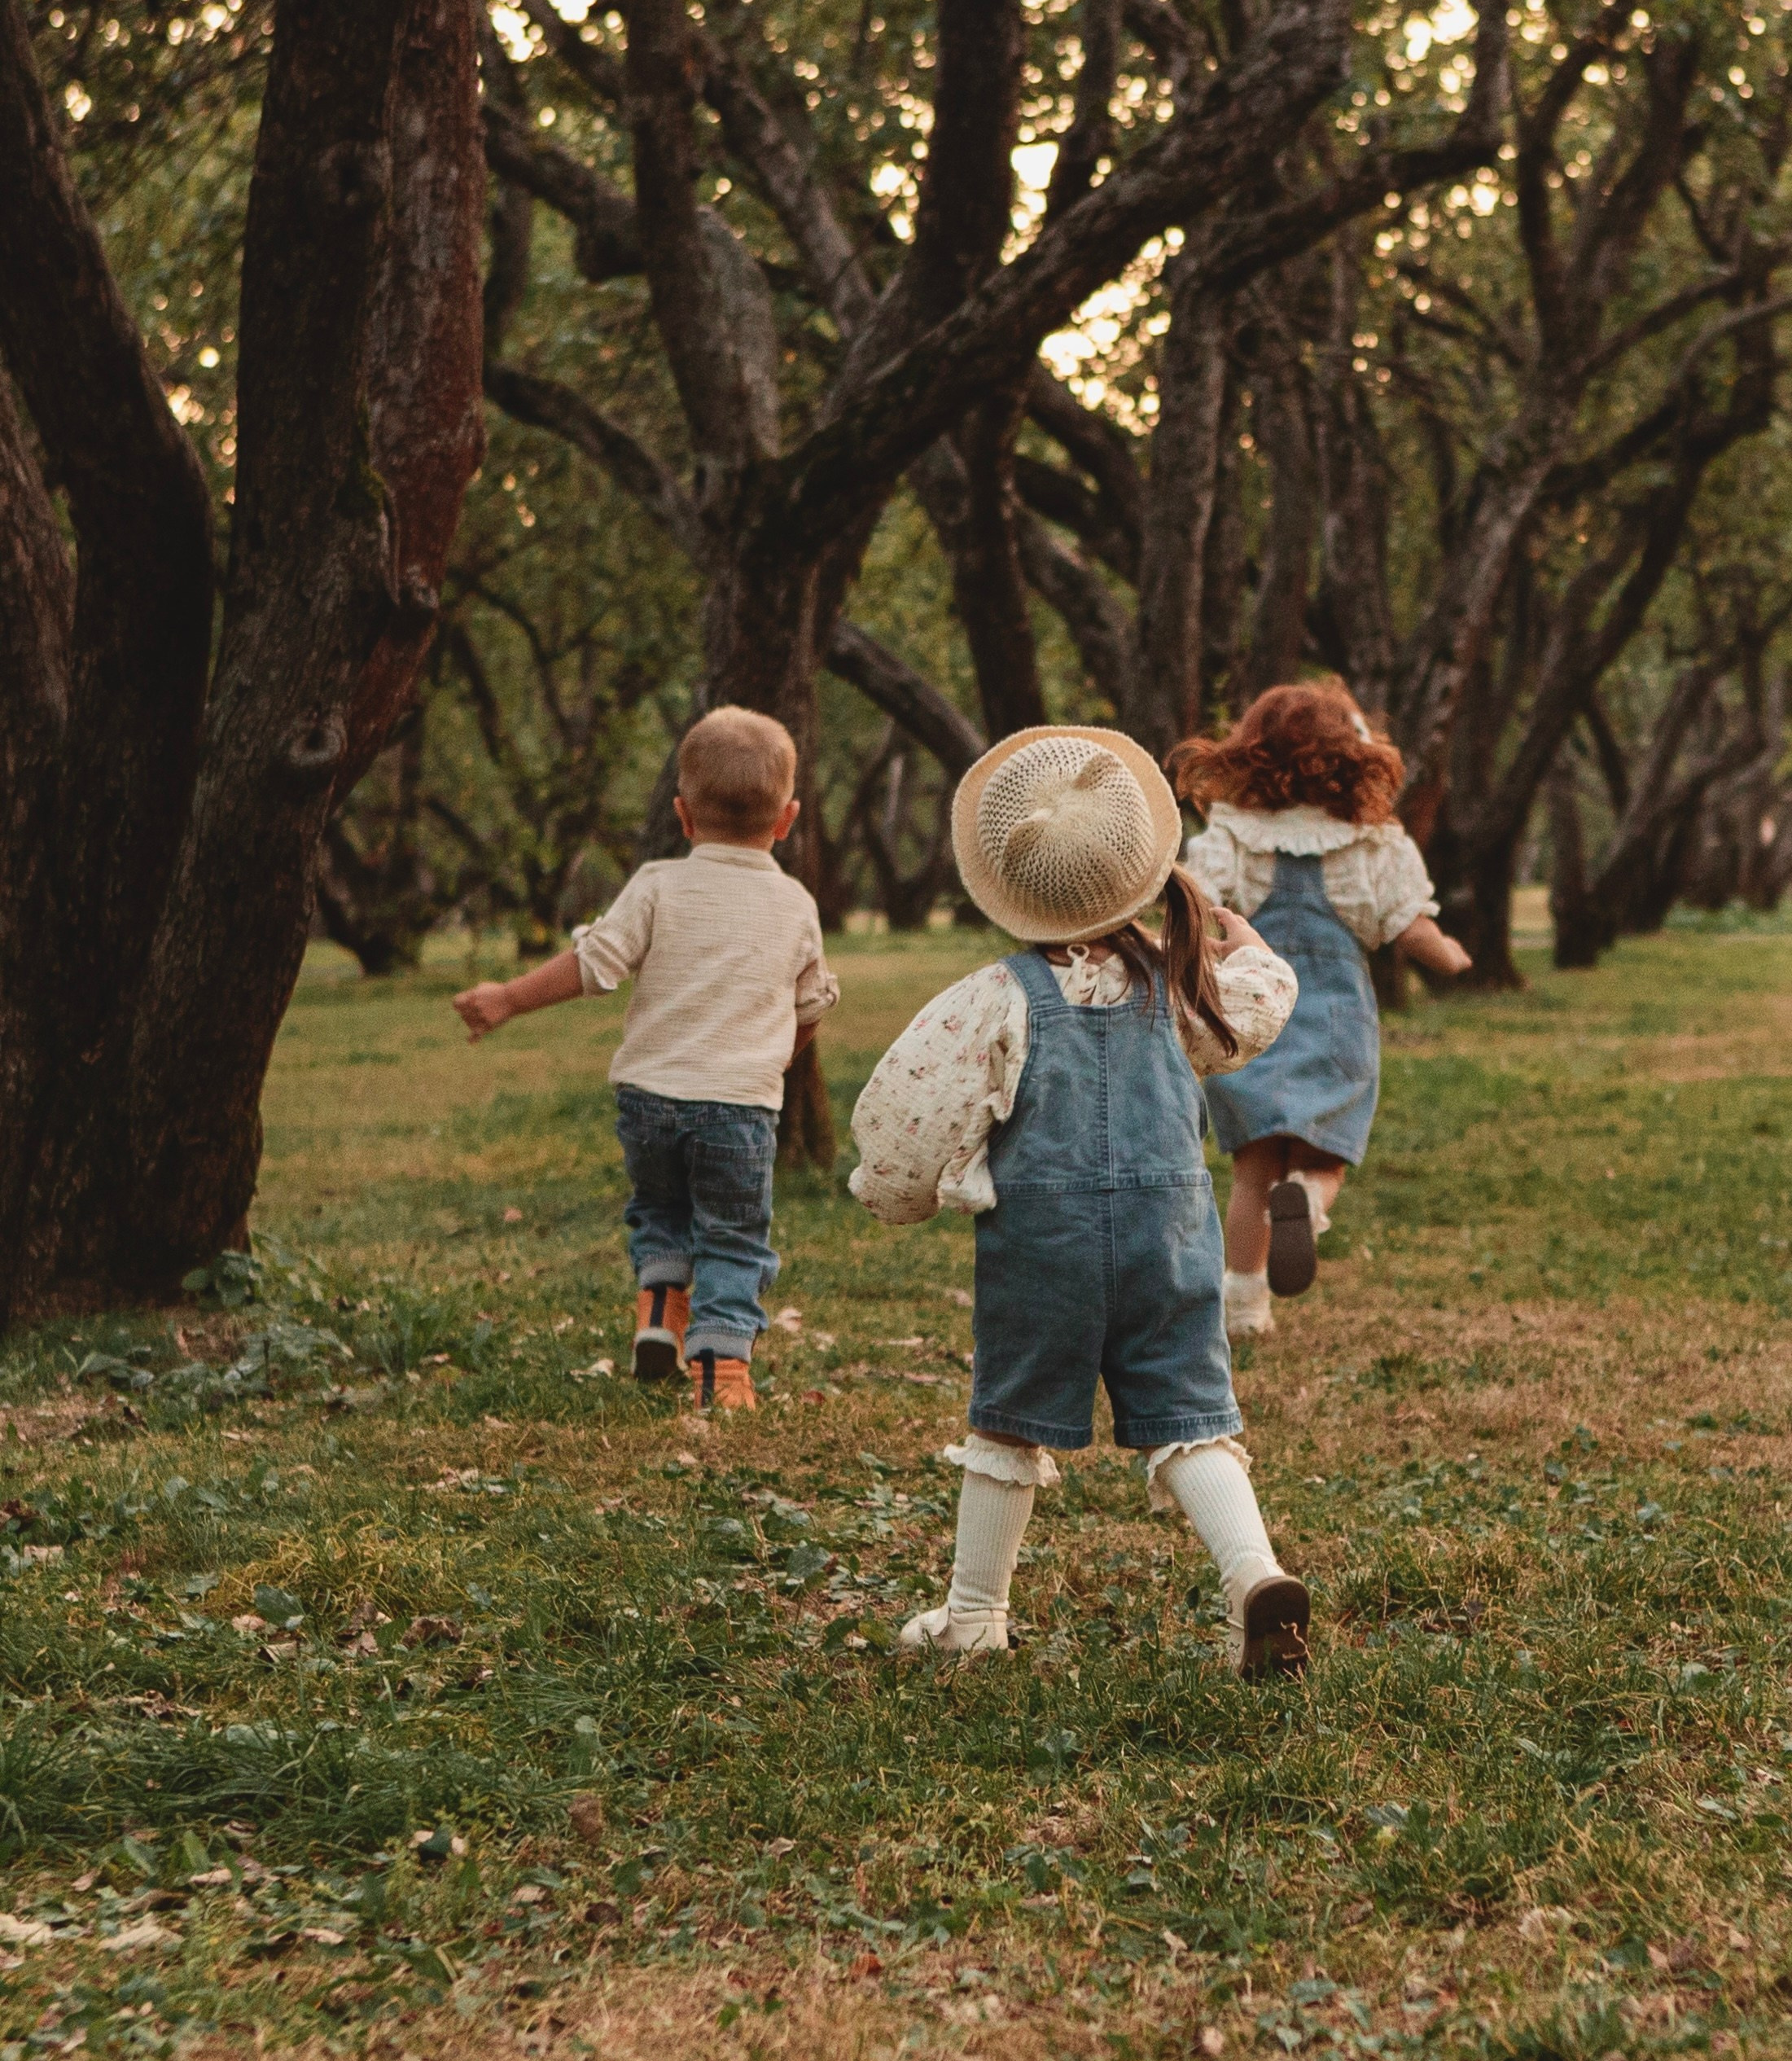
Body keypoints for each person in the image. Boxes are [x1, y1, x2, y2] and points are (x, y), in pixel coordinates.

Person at [850, 725, 1311, 1678]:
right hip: (1170, 1243)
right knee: (1190, 1417)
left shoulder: (994, 998)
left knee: (1007, 1421)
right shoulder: (1178, 983)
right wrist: (1251, 944)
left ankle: (974, 1614)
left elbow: (905, 1113)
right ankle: (1253, 1574)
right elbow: (1258, 1007)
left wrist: (887, 1193)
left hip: (1040, 1252)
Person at [452, 706, 838, 1414]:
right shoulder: (794, 904)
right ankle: (721, 1369)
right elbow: (809, 1009)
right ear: (786, 819)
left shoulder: (657, 884)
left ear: (683, 816)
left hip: (648, 1100)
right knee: (731, 1234)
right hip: (739, 1107)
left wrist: (507, 997)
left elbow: (593, 965)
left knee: (660, 1207)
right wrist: (770, 1060)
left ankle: (660, 1313)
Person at [1171, 682, 1472, 1340]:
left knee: (1251, 1171)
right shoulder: (1372, 844)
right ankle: (1307, 1197)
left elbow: (1193, 913)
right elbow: (1408, 925)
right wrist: (1449, 956)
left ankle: (1243, 1307)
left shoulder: (1228, 837)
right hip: (1335, 1022)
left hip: (1249, 1017)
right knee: (1322, 1156)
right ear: (1351, 759)